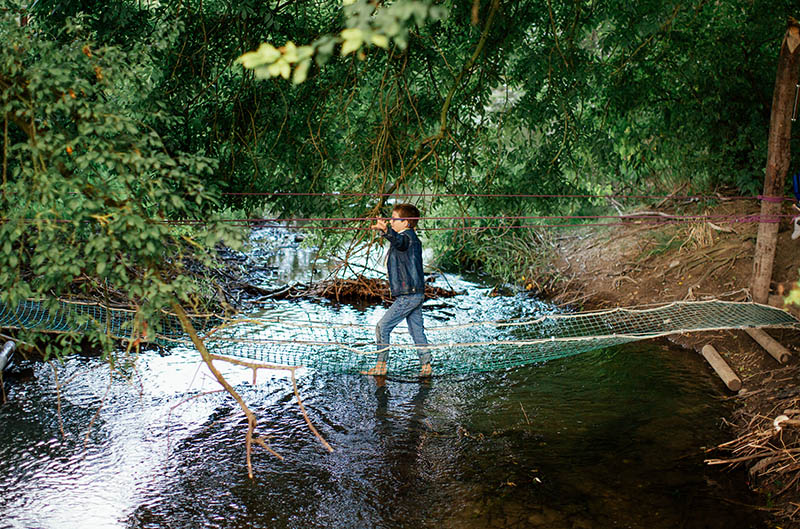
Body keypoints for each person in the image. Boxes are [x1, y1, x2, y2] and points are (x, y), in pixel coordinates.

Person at [361, 203, 432, 378]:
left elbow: (399, 242)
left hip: (409, 294)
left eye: (394, 219)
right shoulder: (411, 239)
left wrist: (386, 231)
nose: (391, 221)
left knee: (382, 326)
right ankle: (426, 366)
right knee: (416, 330)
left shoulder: (407, 238)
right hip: (415, 293)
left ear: (406, 222)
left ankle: (381, 366)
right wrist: (387, 232)